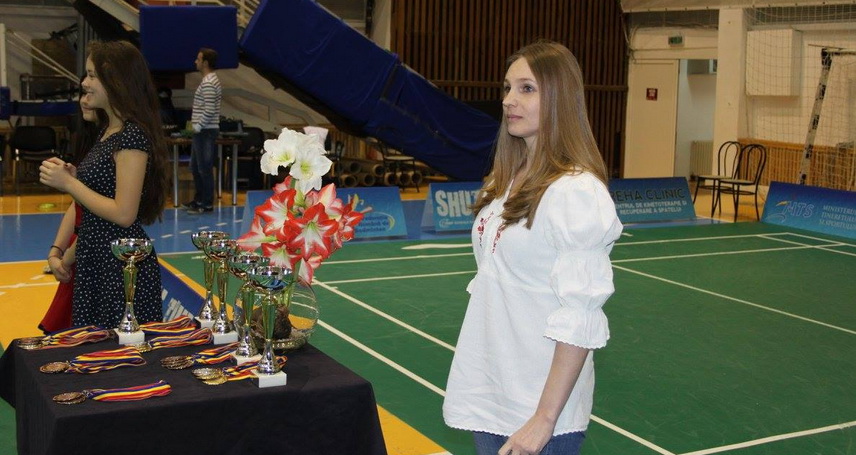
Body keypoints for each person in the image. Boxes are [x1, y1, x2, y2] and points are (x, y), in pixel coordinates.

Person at [442, 41, 623, 455]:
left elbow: (579, 316)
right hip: (491, 395)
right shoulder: (504, 181)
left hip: (539, 413)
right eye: (508, 88)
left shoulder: (576, 191)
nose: (509, 100)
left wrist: (543, 421)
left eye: (527, 89)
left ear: (559, 99)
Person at [39, 40, 168, 328]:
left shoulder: (131, 136)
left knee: (115, 351)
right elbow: (92, 203)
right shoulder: (109, 132)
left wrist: (70, 184)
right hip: (96, 260)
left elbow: (124, 214)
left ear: (116, 82)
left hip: (119, 267)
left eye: (92, 76)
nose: (84, 83)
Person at [40, 80, 104, 333]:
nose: (83, 99)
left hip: (93, 253)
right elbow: (78, 204)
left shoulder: (119, 144)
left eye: (90, 92)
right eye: (82, 92)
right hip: (78, 252)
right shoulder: (91, 140)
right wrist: (56, 252)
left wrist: (65, 258)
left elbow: (105, 218)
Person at [182, 47, 222, 214]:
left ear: (205, 63)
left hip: (205, 131)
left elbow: (210, 109)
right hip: (202, 131)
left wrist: (197, 127)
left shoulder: (209, 83)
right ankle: (199, 200)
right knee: (196, 167)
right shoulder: (209, 81)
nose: (195, 62)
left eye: (198, 59)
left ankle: (206, 203)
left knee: (204, 168)